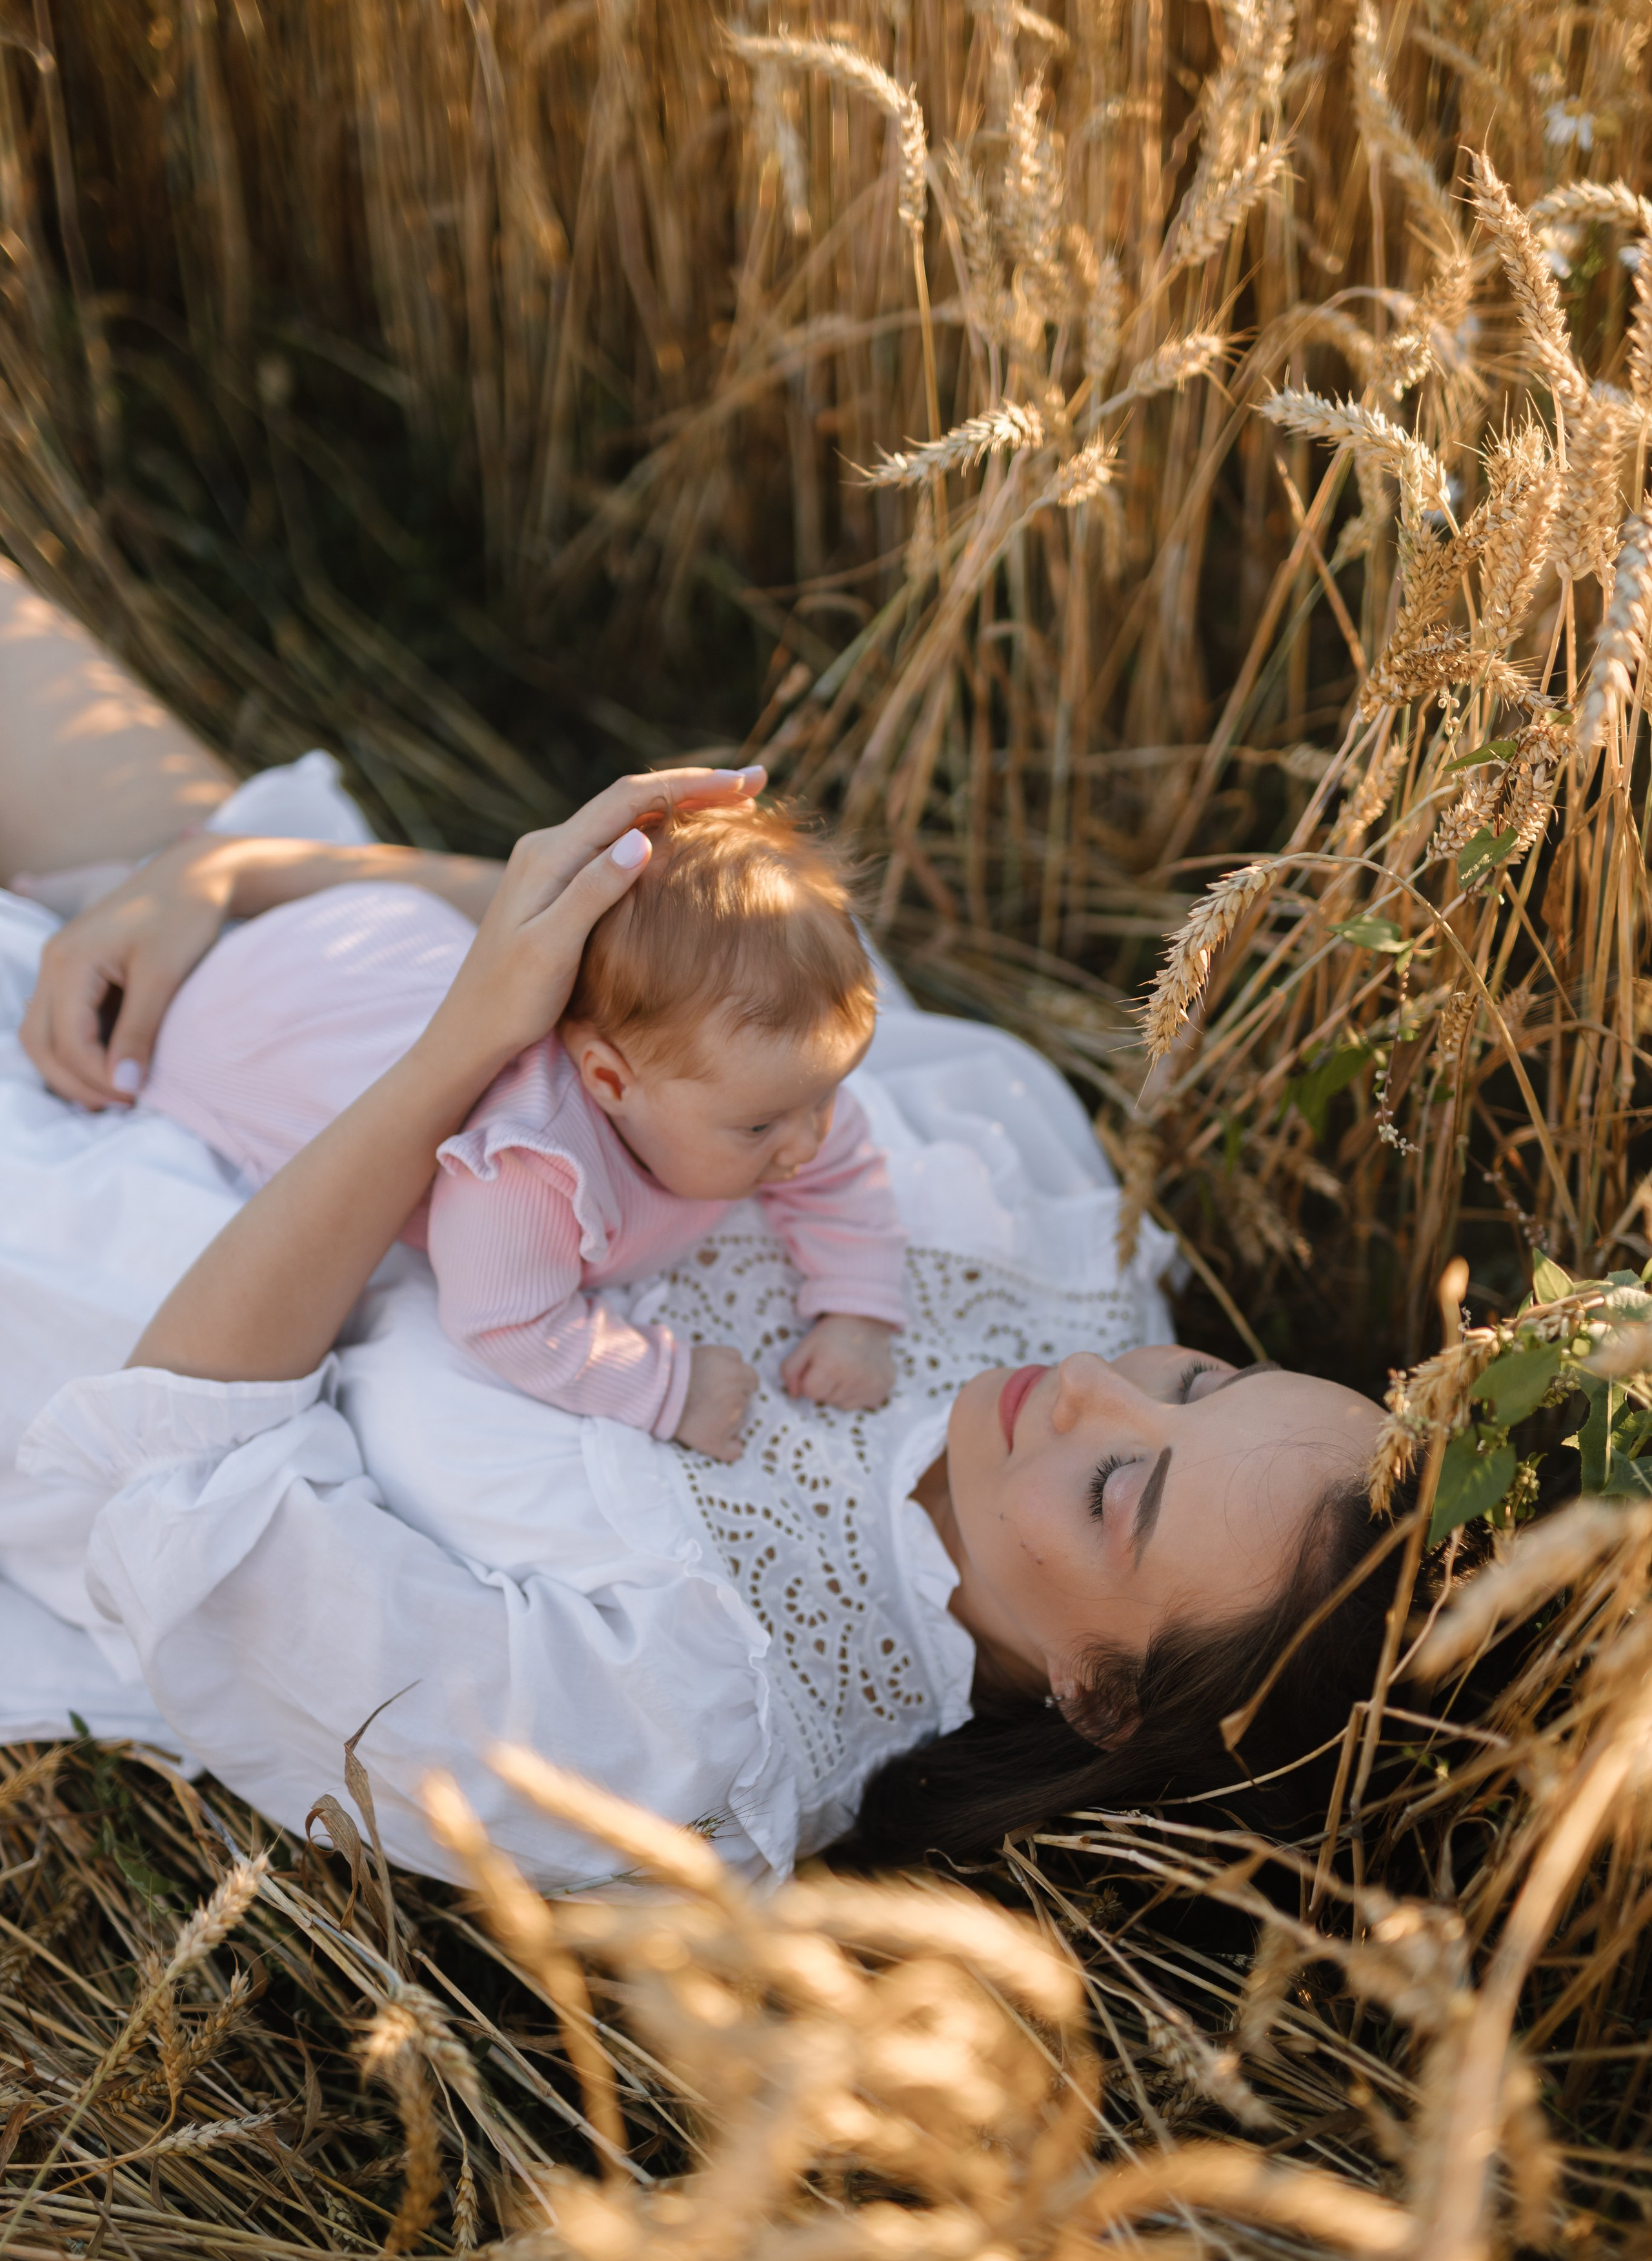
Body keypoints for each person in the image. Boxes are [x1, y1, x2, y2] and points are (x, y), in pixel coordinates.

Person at [0, 560, 1393, 1886]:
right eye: (1199, 1381)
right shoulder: (1053, 1242)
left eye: (1119, 1492)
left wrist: (444, 1064)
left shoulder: (672, 1741)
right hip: (298, 980)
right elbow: (659, 995)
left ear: (1099, 1698)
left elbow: (172, 1480)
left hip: (75, 1267)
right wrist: (248, 879)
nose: (1100, 1388)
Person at [132, 804, 906, 1459]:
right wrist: (667, 1388)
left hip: (396, 951)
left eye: (827, 1096)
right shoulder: (534, 1161)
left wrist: (860, 1313)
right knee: (251, 1066)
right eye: (762, 1127)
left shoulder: (774, 1089)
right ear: (609, 1082)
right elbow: (505, 1322)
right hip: (263, 1022)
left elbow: (842, 1174)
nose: (808, 1142)